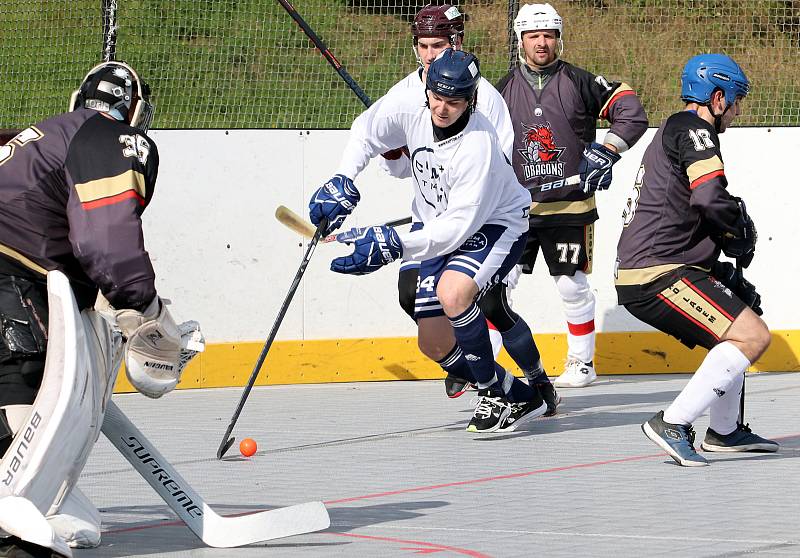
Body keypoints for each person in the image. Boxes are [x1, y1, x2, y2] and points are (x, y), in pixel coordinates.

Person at [0, 61, 201, 555]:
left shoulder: (41, 133)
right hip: (12, 273)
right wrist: (145, 309)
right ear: (135, 111)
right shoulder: (115, 138)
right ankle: (19, 519)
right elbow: (106, 241)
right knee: (23, 381)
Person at [309, 49, 548, 433]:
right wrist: (343, 179)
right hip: (439, 221)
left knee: (455, 293)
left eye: (453, 102)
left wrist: (392, 244)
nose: (441, 108)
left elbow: (457, 229)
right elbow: (367, 131)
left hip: (495, 224)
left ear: (470, 100)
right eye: (436, 97)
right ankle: (520, 395)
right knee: (434, 344)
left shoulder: (478, 145)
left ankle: (491, 392)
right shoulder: (411, 109)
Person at [383, 3, 559, 412]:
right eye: (424, 46)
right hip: (432, 222)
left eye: (439, 44)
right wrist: (396, 154)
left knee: (491, 305)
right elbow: (396, 169)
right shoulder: (404, 95)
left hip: (483, 222)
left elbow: (489, 169)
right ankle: (485, 375)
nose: (430, 54)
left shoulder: (485, 99)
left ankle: (532, 381)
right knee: (411, 295)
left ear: (457, 41)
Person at [615, 53, 778, 467]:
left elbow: (689, 203)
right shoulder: (694, 128)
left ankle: (724, 432)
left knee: (743, 315)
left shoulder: (678, 127)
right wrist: (736, 227)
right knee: (753, 337)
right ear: (717, 97)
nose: (737, 110)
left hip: (664, 264)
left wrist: (725, 240)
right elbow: (708, 196)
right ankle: (673, 422)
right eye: (736, 100)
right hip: (659, 271)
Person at [496, 3, 648, 388]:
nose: (541, 43)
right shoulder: (499, 91)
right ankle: (484, 365)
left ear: (559, 39)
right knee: (496, 285)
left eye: (548, 35)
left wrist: (608, 149)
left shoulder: (580, 81)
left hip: (571, 208)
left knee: (571, 284)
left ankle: (582, 363)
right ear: (520, 40)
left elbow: (631, 110)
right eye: (533, 35)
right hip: (515, 211)